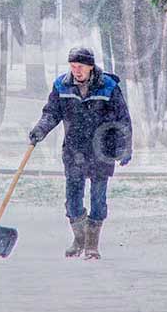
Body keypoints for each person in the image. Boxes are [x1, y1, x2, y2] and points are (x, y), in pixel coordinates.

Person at [29, 47, 133, 259]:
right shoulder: (62, 85)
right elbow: (51, 113)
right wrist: (40, 129)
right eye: (73, 66)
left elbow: (123, 119)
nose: (76, 71)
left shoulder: (108, 87)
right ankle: (80, 239)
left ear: (90, 66)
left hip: (102, 151)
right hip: (74, 151)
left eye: (80, 66)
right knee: (73, 201)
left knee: (98, 200)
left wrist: (124, 147)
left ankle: (92, 246)